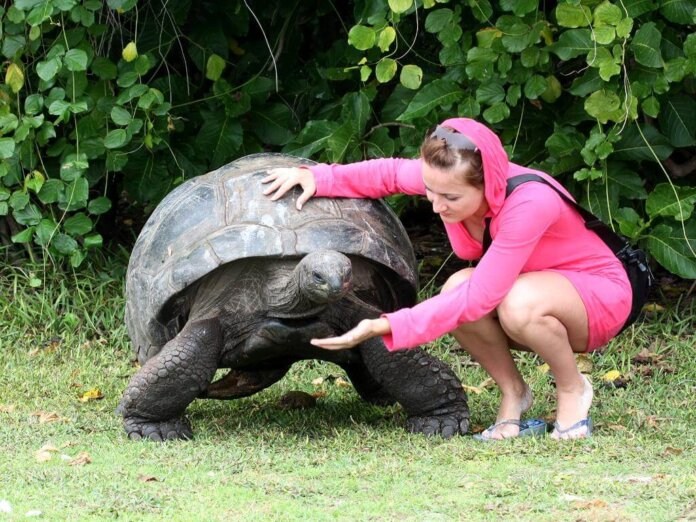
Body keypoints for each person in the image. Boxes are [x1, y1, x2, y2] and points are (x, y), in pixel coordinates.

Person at [261, 118, 632, 441]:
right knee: (456, 286)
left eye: (451, 197)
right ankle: (513, 392)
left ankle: (572, 388)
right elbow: (387, 174)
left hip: (595, 291)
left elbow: (483, 296)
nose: (436, 206)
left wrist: (387, 324)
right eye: (429, 192)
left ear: (488, 185)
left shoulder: (530, 203)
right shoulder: (443, 177)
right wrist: (317, 176)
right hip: (528, 284)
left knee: (515, 302)